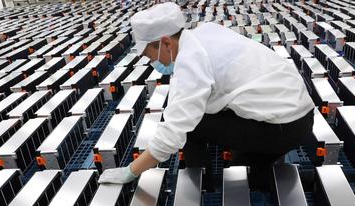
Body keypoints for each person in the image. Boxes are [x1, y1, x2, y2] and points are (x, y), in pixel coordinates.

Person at [98, 2, 314, 190]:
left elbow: (174, 132)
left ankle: (202, 187)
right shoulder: (205, 33)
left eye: (150, 55)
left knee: (195, 127)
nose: (153, 62)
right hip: (298, 113)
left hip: (283, 126)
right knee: (245, 168)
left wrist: (131, 171)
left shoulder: (191, 61)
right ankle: (278, 173)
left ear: (165, 42)